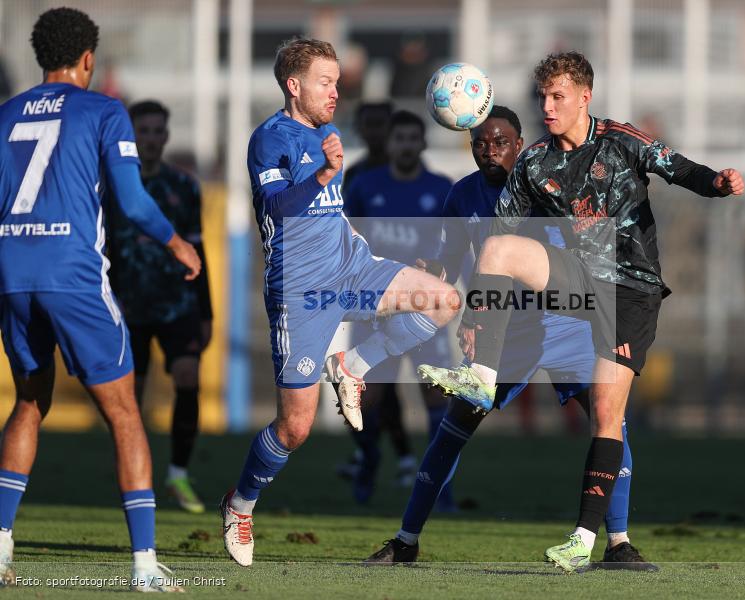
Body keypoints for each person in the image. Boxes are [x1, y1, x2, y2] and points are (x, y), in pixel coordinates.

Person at [419, 52, 744, 572]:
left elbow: (679, 168)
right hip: (578, 275)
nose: (547, 107)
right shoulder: (534, 162)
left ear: (584, 97)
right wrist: (477, 316)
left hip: (630, 290)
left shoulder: (621, 141)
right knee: (497, 248)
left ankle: (588, 540)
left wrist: (717, 184)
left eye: (558, 97)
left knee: (607, 414)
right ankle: (482, 375)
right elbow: (500, 233)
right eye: (543, 97)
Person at [365, 105, 653, 569]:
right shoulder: (462, 196)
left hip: (568, 324)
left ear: (520, 145)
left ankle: (618, 543)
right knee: (452, 432)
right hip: (506, 336)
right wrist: (433, 272)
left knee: (609, 423)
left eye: (501, 142)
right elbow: (451, 262)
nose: (490, 151)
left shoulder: (547, 184)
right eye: (480, 143)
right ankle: (405, 540)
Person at [219, 37, 459, 568]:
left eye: (336, 82)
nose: (335, 92)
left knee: (442, 300)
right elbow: (277, 208)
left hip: (353, 270)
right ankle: (240, 505)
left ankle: (352, 365)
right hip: (301, 292)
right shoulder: (269, 138)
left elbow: (330, 213)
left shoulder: (328, 133)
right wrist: (325, 174)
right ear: (294, 85)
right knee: (295, 428)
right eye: (325, 82)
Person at [0, 7, 200, 591]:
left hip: (12, 274)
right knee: (124, 414)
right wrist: (178, 244)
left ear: (42, 56)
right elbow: (133, 202)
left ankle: (0, 546)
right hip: (72, 275)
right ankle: (144, 567)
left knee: (29, 402)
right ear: (88, 58)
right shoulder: (104, 110)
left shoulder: (5, 114)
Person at [343, 110, 455, 506]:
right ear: (389, 144)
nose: (406, 145)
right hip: (377, 307)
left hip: (425, 309)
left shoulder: (441, 189)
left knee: (436, 395)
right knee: (364, 396)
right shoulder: (364, 186)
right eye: (399, 138)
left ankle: (441, 489)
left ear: (423, 143)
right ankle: (369, 460)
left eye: (412, 138)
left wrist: (442, 272)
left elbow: (455, 246)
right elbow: (347, 239)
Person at [106, 100, 213, 514]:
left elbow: (198, 250)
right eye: (144, 131)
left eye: (157, 131)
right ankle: (136, 476)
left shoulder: (183, 186)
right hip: (127, 307)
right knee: (128, 398)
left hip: (176, 304)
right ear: (131, 135)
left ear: (167, 136)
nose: (151, 139)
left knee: (188, 377)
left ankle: (178, 473)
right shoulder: (113, 185)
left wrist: (206, 312)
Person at [336, 100, 418, 486]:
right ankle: (381, 455)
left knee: (388, 383)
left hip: (411, 294)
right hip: (368, 292)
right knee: (372, 382)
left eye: (380, 125)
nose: (374, 132)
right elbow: (344, 232)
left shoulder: (413, 176)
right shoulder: (356, 178)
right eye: (367, 124)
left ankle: (391, 457)